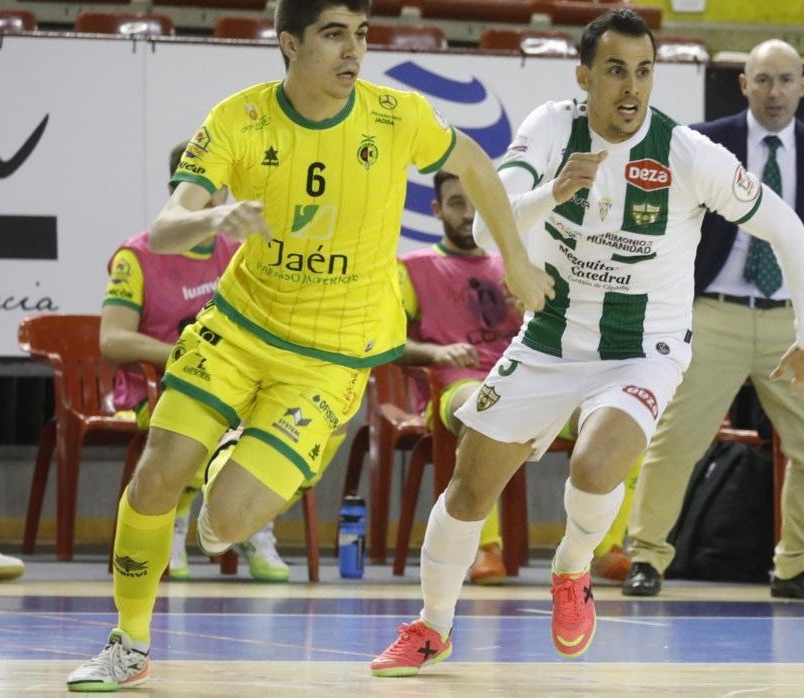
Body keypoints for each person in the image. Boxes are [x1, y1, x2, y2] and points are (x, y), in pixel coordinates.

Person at [66, 0, 550, 689]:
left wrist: (519, 261)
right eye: (333, 35)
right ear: (289, 43)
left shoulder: (394, 116)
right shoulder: (241, 118)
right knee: (154, 474)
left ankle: (247, 459)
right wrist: (217, 214)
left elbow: (471, 160)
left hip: (330, 356)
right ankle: (129, 644)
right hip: (238, 328)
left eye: (360, 35)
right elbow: (169, 224)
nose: (353, 51)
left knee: (223, 525)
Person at [370, 9, 804, 676]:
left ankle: (573, 567)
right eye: (615, 70)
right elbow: (497, 209)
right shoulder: (553, 127)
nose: (631, 88)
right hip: (551, 337)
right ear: (584, 75)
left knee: (594, 465)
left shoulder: (687, 154)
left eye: (643, 72)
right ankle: (431, 626)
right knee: (470, 490)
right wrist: (555, 191)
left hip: (645, 346)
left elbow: (785, 227)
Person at [621, 38, 804, 602]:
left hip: (792, 321)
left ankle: (797, 566)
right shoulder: (705, 142)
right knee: (675, 439)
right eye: (764, 80)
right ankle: (646, 557)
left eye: (786, 80)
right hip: (714, 314)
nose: (775, 92)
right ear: (743, 84)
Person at [395, 170, 636, 585]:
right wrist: (435, 352)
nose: (469, 214)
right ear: (436, 210)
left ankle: (603, 546)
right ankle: (484, 549)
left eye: (476, 203)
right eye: (456, 203)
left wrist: (532, 304)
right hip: (457, 383)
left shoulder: (519, 261)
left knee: (626, 418)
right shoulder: (412, 268)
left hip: (534, 383)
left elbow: (568, 328)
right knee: (480, 408)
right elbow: (380, 341)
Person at [101, 141, 298, 583]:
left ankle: (249, 520)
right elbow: (112, 340)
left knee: (295, 424)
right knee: (199, 418)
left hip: (237, 383)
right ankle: (176, 513)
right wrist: (185, 353)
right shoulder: (138, 255)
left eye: (218, 187)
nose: (212, 197)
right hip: (157, 387)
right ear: (177, 189)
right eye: (198, 186)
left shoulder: (241, 253)